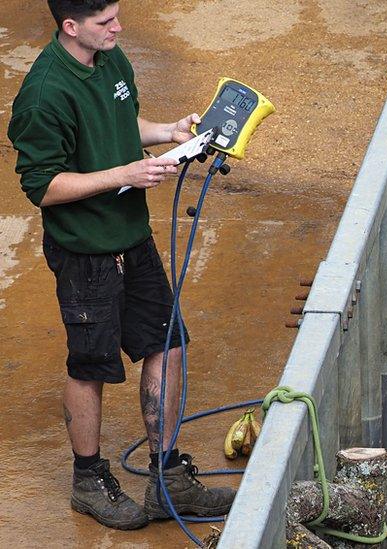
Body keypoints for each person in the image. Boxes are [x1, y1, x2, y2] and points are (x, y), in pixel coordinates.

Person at [7, 0, 235, 530]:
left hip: (132, 238)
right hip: (85, 251)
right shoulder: (44, 95)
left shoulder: (109, 57)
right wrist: (123, 174)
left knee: (168, 342)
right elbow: (43, 186)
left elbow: (123, 121)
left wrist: (169, 133)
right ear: (70, 26)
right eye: (105, 21)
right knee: (91, 366)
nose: (118, 27)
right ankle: (88, 481)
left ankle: (167, 478)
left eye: (117, 16)